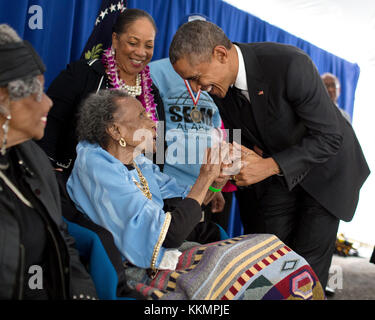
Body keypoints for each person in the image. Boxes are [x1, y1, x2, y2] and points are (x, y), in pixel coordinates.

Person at [66, 89, 325, 300]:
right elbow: (169, 233)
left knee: (269, 249)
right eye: (142, 115)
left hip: (167, 251)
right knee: (242, 275)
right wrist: (205, 178)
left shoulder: (139, 161)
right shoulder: (97, 165)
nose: (152, 121)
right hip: (137, 267)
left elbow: (184, 204)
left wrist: (214, 184)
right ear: (115, 131)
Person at [169, 20, 370, 290]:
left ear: (220, 54)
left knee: (305, 270)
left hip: (326, 169)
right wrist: (217, 184)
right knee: (269, 254)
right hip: (279, 172)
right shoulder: (217, 85)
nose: (195, 88)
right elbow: (239, 138)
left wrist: (268, 166)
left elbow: (330, 137)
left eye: (195, 77)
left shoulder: (289, 64)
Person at [0, 24, 97, 300]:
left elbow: (62, 238)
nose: (49, 104)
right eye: (37, 92)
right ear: (3, 98)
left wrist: (83, 294)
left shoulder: (36, 161)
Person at [37, 8, 163, 178]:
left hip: (129, 193)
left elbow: (159, 151)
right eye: (133, 43)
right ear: (115, 39)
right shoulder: (82, 74)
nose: (141, 52)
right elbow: (49, 123)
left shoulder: (153, 95)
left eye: (149, 45)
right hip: (74, 184)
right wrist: (46, 170)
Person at [149, 13, 235, 232]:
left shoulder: (217, 77)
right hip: (167, 184)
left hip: (202, 186)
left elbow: (219, 134)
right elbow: (151, 126)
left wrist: (216, 189)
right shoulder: (156, 71)